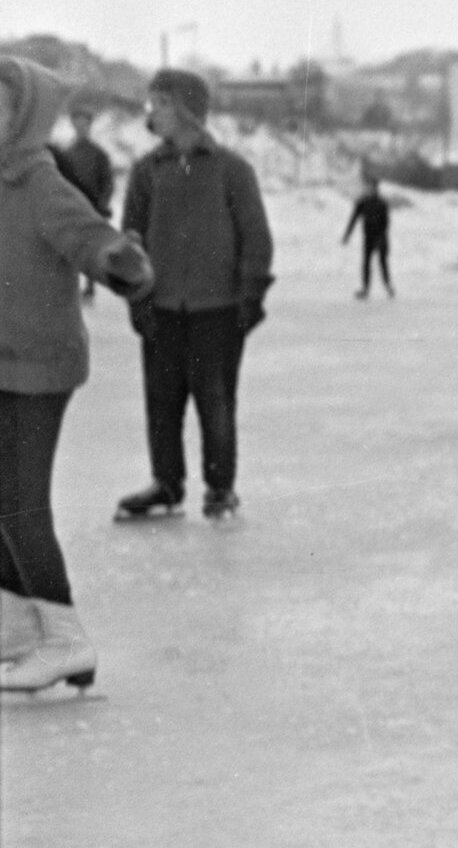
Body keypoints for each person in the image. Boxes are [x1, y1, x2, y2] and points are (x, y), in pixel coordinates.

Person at [1, 57, 154, 693]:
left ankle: (66, 640)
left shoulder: (38, 180)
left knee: (21, 505)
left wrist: (120, 260)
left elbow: (88, 235)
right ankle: (18, 628)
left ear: (24, 117)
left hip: (40, 362)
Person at [114, 68, 274, 523]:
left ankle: (220, 488)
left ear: (186, 109)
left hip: (218, 311)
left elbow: (256, 238)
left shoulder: (232, 170)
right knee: (161, 403)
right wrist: (137, 300)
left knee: (216, 402)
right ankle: (167, 483)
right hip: (162, 310)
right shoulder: (146, 173)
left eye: (159, 103)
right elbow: (130, 243)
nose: (151, 112)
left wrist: (249, 298)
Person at [53, 103, 113, 301]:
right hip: (70, 206)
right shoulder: (66, 153)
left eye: (85, 123)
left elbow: (107, 182)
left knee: (89, 248)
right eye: (77, 122)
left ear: (90, 126)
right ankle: (67, 287)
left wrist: (103, 203)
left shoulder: (99, 154)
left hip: (92, 206)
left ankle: (89, 286)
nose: (81, 126)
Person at [341, 174, 393, 300]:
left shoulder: (382, 203)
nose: (370, 189)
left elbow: (386, 223)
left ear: (376, 188)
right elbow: (354, 218)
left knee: (382, 263)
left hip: (381, 237)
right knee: (366, 263)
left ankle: (388, 286)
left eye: (373, 187)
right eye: (369, 187)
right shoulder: (362, 203)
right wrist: (347, 234)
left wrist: (381, 238)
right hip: (368, 237)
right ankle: (365, 289)